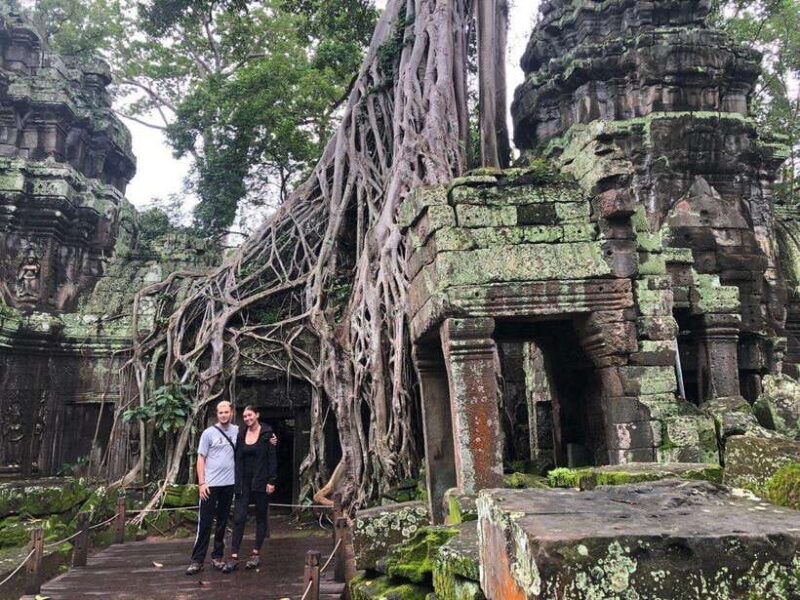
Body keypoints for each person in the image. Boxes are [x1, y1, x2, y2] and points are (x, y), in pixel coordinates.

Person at [186, 400, 276, 575]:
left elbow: (260, 436)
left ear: (232, 413)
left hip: (230, 484)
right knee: (205, 522)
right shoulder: (208, 433)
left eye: (226, 412)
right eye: (220, 413)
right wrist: (202, 482)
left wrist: (272, 439)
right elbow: (200, 458)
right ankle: (197, 560)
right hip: (210, 485)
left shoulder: (239, 431)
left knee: (222, 522)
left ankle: (217, 556)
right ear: (217, 414)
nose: (223, 415)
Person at [222, 405, 277, 572]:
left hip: (261, 481)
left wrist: (272, 481)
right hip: (243, 482)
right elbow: (237, 458)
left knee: (261, 516)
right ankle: (233, 556)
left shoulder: (267, 434)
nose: (247, 418)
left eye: (250, 415)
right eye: (245, 416)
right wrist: (235, 481)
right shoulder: (241, 435)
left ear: (257, 415)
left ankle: (255, 553)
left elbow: (272, 459)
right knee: (239, 517)